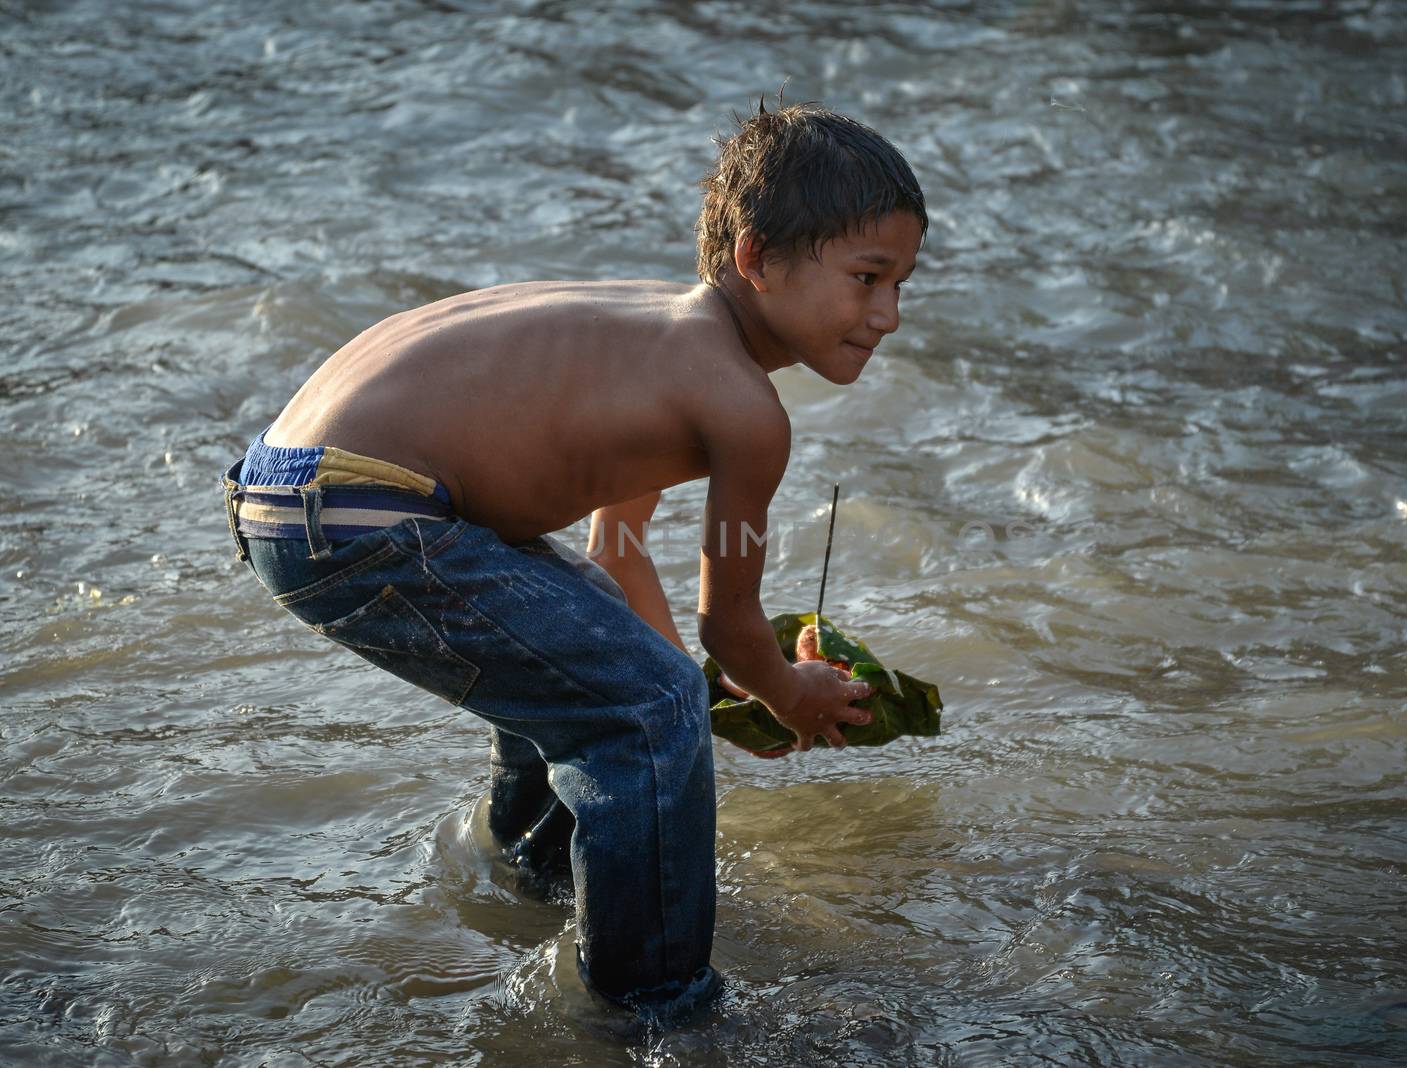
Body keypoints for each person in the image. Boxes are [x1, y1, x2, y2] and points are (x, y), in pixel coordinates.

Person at [220, 100, 926, 1019]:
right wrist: (793, 696)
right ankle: (653, 1009)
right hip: (363, 511)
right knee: (643, 710)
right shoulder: (746, 409)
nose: (891, 314)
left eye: (902, 284)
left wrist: (691, 694)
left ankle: (528, 874)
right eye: (868, 277)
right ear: (755, 256)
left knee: (615, 669)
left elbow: (617, 551)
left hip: (289, 490)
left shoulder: (663, 338)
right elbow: (732, 627)